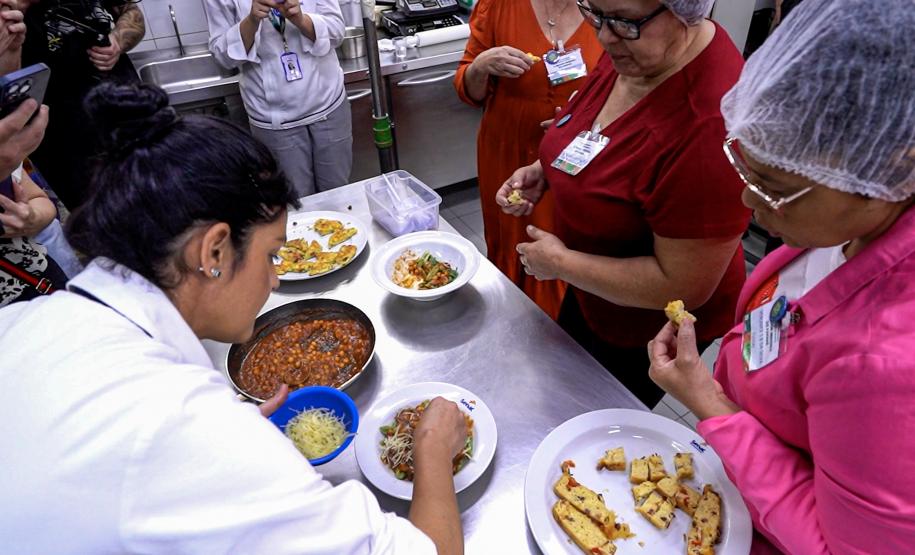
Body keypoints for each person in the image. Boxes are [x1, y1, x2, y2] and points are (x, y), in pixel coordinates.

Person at [0, 82, 467, 555]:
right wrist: (429, 450)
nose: (276, 280)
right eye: (272, 254)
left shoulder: (23, 321)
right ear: (214, 251)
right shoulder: (194, 430)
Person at [648, 0, 915, 552]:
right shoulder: (846, 222)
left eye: (772, 183)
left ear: (890, 166)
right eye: (746, 165)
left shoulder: (887, 365)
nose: (747, 197)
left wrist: (709, 404)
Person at [495, 0, 750, 406]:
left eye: (624, 22)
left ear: (687, 11)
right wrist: (547, 167)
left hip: (643, 323)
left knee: (589, 418)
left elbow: (682, 284)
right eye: (595, 13)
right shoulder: (639, 51)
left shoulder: (708, 124)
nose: (603, 35)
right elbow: (600, 127)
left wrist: (560, 264)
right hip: (592, 291)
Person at [454, 0, 602, 320]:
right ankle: (508, 322)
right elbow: (467, 89)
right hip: (504, 151)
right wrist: (481, 66)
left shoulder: (605, 10)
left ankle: (556, 333)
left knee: (559, 248)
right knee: (508, 238)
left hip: (572, 161)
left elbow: (623, 89)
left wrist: (581, 122)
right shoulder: (497, 5)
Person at [206, 0, 352, 199]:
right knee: (294, 206)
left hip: (327, 102)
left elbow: (336, 32)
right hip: (273, 119)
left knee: (339, 198)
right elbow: (223, 57)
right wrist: (252, 20)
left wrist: (300, 19)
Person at [20, 0, 145, 210]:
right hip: (64, 130)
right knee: (100, 218)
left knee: (160, 197)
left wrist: (117, 40)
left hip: (126, 109)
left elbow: (131, 12)